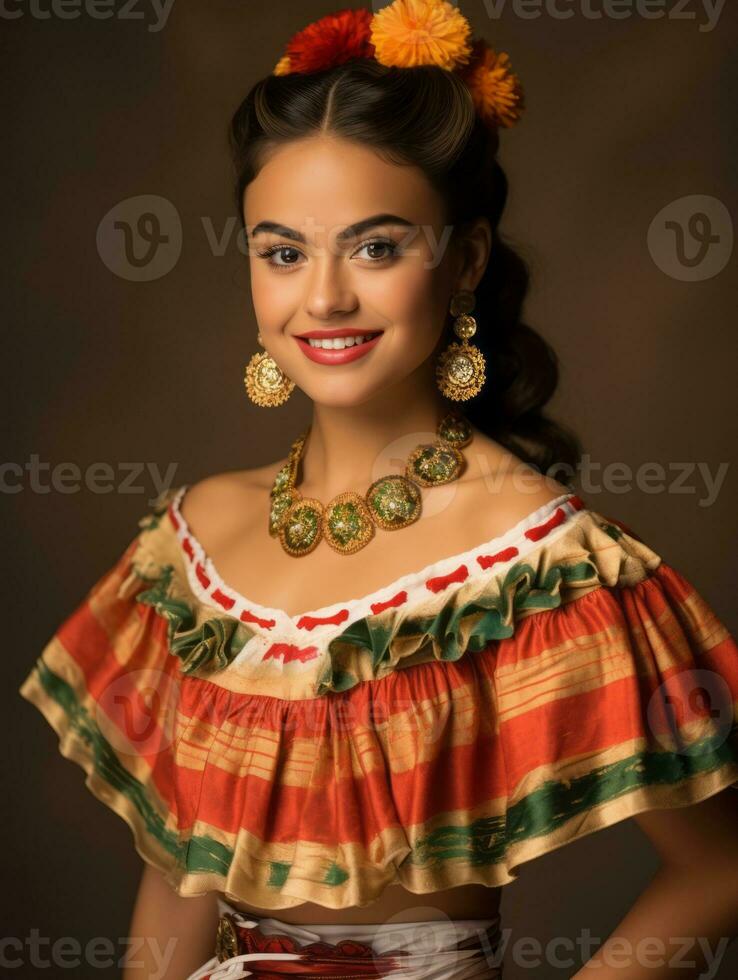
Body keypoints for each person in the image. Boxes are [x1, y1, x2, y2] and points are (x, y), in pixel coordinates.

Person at [19, 2, 738, 978]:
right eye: (282, 251)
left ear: (466, 260)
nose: (323, 298)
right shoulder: (192, 540)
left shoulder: (539, 563)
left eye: (376, 245)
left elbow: (719, 865)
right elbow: (178, 872)